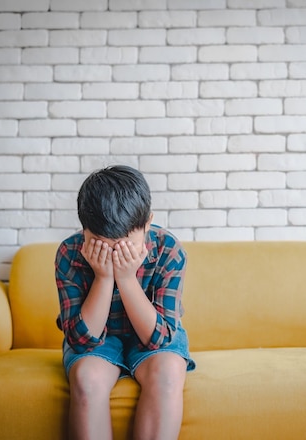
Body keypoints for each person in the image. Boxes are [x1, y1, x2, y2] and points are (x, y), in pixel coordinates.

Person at [55, 165, 195, 440]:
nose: (113, 253)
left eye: (124, 245)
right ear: (84, 231)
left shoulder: (169, 250)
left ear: (147, 224)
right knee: (86, 379)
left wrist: (127, 278)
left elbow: (158, 338)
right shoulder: (69, 254)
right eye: (101, 244)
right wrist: (104, 278)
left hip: (152, 333)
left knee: (167, 374)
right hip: (99, 339)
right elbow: (82, 340)